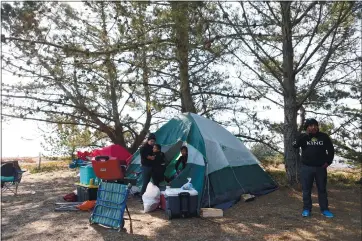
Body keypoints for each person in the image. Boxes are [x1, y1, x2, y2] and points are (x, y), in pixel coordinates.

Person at [293, 118, 335, 218]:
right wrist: (302, 137)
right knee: (306, 190)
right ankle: (307, 209)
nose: (313, 127)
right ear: (307, 128)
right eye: (310, 126)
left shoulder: (324, 137)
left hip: (320, 168)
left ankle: (325, 210)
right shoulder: (303, 137)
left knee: (322, 189)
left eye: (315, 125)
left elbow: (331, 150)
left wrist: (328, 162)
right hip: (306, 168)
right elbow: (295, 145)